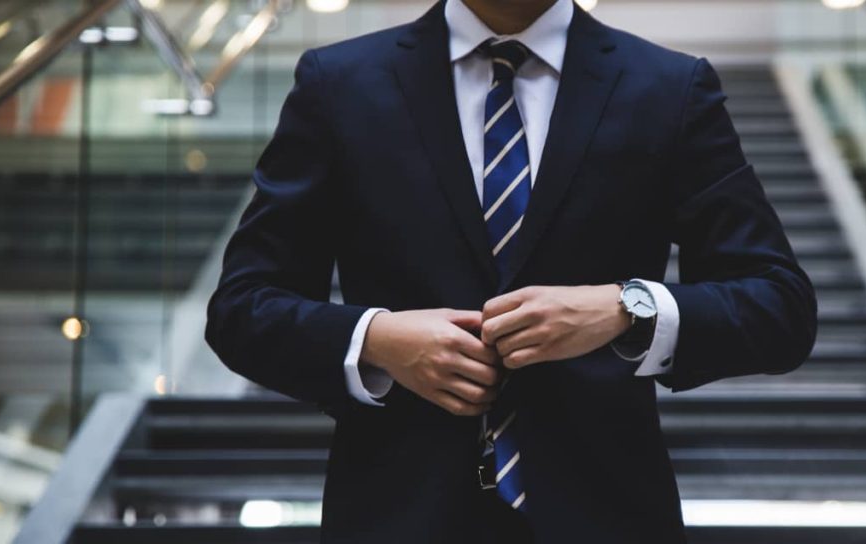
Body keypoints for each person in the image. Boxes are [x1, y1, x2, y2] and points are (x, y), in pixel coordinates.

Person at [205, 0, 818, 542]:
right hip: (395, 511)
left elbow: (780, 306)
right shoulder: (339, 83)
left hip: (607, 513)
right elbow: (241, 308)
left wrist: (626, 309)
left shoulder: (669, 87)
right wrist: (377, 341)